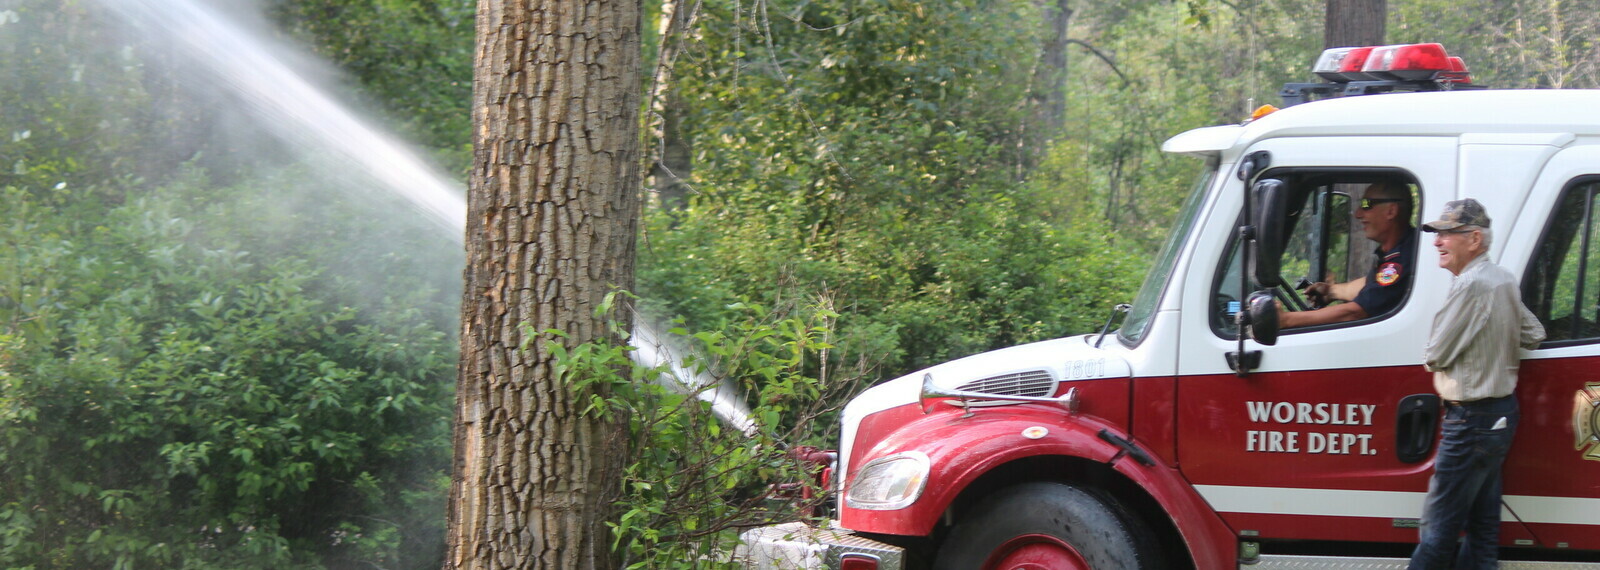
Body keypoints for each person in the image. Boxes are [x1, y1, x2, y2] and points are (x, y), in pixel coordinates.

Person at [1408, 199, 1545, 570]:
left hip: (1470, 422)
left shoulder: (1471, 285)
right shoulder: (1502, 278)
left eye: (1446, 234)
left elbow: (1435, 354)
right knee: (1483, 529)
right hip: (1499, 416)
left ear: (1473, 239)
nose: (1437, 242)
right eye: (1437, 234)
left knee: (1438, 530)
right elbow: (1534, 334)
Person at [1280, 181, 1416, 328]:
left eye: (1366, 204)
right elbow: (1373, 287)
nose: (1358, 214)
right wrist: (1331, 291)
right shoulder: (1404, 249)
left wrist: (1286, 320)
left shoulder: (1403, 259)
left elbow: (1355, 313)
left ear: (1391, 211)